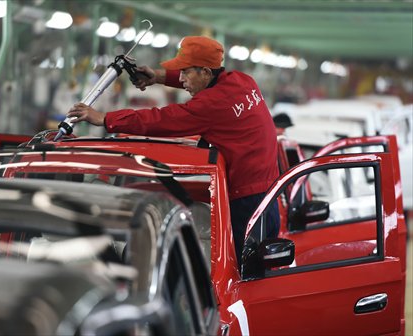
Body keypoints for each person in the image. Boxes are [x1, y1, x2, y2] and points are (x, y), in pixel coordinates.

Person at [66, 36, 280, 268]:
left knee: (242, 273)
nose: (181, 78)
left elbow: (161, 120)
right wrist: (158, 77)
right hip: (268, 195)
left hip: (247, 204)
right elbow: (203, 86)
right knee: (255, 274)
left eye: (185, 72)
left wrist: (106, 119)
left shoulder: (209, 106)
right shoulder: (242, 81)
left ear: (206, 72)